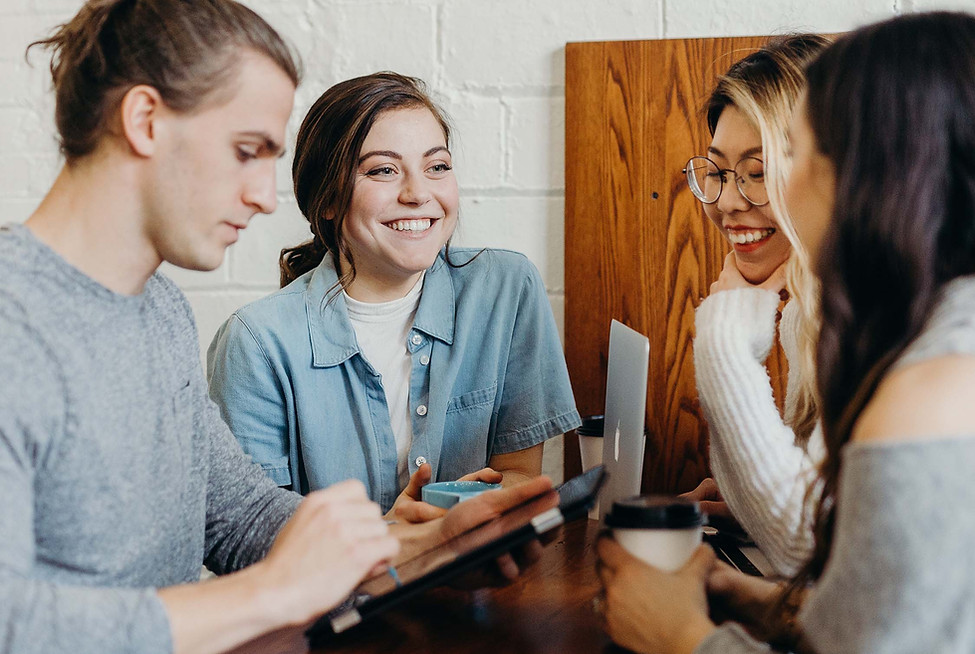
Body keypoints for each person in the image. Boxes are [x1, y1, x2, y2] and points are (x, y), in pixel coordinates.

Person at [0, 3, 553, 653]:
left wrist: (420, 547)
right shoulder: (15, 329)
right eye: (245, 151)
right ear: (144, 120)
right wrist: (272, 593)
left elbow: (238, 518)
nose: (267, 196)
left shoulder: (160, 310)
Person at [597, 11, 975, 653]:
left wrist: (681, 638)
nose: (732, 198)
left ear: (872, 172)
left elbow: (816, 548)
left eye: (789, 155)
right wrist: (766, 602)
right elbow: (885, 610)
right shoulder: (926, 329)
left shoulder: (933, 383)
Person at [207, 72, 580, 521]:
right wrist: (396, 538)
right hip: (337, 591)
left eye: (436, 166)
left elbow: (519, 474)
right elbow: (254, 535)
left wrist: (465, 513)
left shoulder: (506, 289)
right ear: (327, 199)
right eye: (383, 170)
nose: (418, 193)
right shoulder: (256, 343)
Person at [682, 35, 829, 576]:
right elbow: (818, 525)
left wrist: (723, 339)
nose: (727, 201)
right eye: (718, 171)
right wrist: (749, 499)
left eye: (759, 170)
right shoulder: (806, 312)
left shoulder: (874, 317)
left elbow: (805, 548)